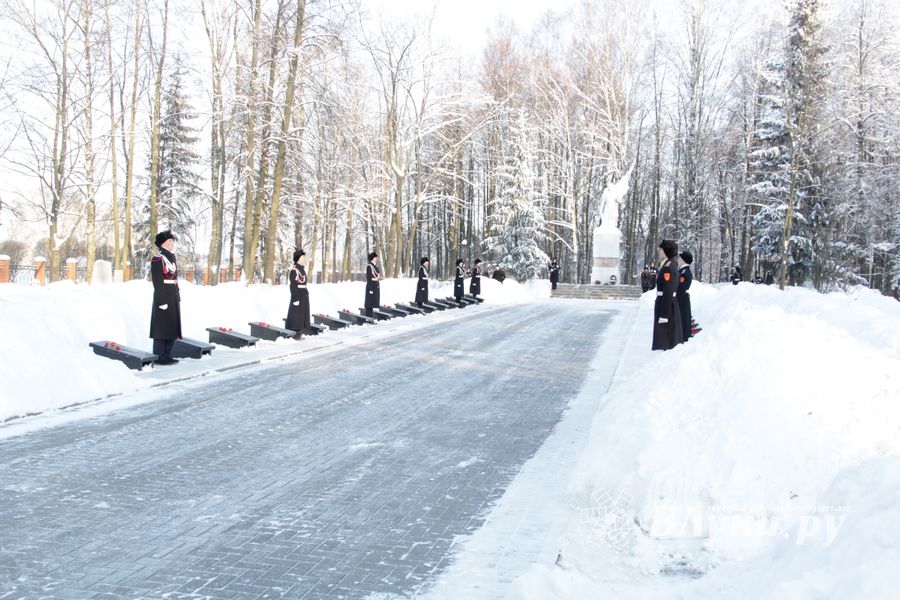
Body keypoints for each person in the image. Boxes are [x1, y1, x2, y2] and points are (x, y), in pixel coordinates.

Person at [149, 230, 182, 365]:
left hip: (172, 295)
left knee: (172, 327)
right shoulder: (159, 258)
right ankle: (159, 356)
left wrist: (177, 295)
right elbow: (157, 281)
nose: (172, 243)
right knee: (161, 328)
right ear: (163, 243)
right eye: (169, 241)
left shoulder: (171, 256)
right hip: (163, 296)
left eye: (172, 241)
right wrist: (161, 300)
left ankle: (167, 354)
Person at [652, 239, 683, 351]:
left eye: (661, 250)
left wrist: (664, 314)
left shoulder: (668, 268)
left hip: (667, 306)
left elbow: (668, 291)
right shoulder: (669, 265)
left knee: (666, 340)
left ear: (666, 251)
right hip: (667, 304)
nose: (659, 252)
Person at [286, 249, 310, 338]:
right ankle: (295, 333)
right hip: (298, 294)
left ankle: (299, 332)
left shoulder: (301, 268)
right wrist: (295, 298)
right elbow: (293, 285)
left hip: (303, 293)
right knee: (297, 314)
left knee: (302, 314)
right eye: (302, 257)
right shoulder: (294, 269)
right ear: (298, 258)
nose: (304, 258)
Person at [677, 251, 694, 343]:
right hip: (682, 298)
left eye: (680, 258)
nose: (679, 259)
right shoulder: (682, 271)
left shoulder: (684, 272)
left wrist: (676, 300)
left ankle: (683, 337)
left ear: (684, 260)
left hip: (682, 298)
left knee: (683, 318)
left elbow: (681, 287)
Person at [364, 251, 380, 317]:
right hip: (371, 286)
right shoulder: (369, 266)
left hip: (375, 285)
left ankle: (370, 318)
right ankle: (368, 318)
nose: (377, 258)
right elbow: (369, 278)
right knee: (369, 304)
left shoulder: (375, 266)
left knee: (372, 303)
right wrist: (370, 289)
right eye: (375, 257)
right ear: (372, 258)